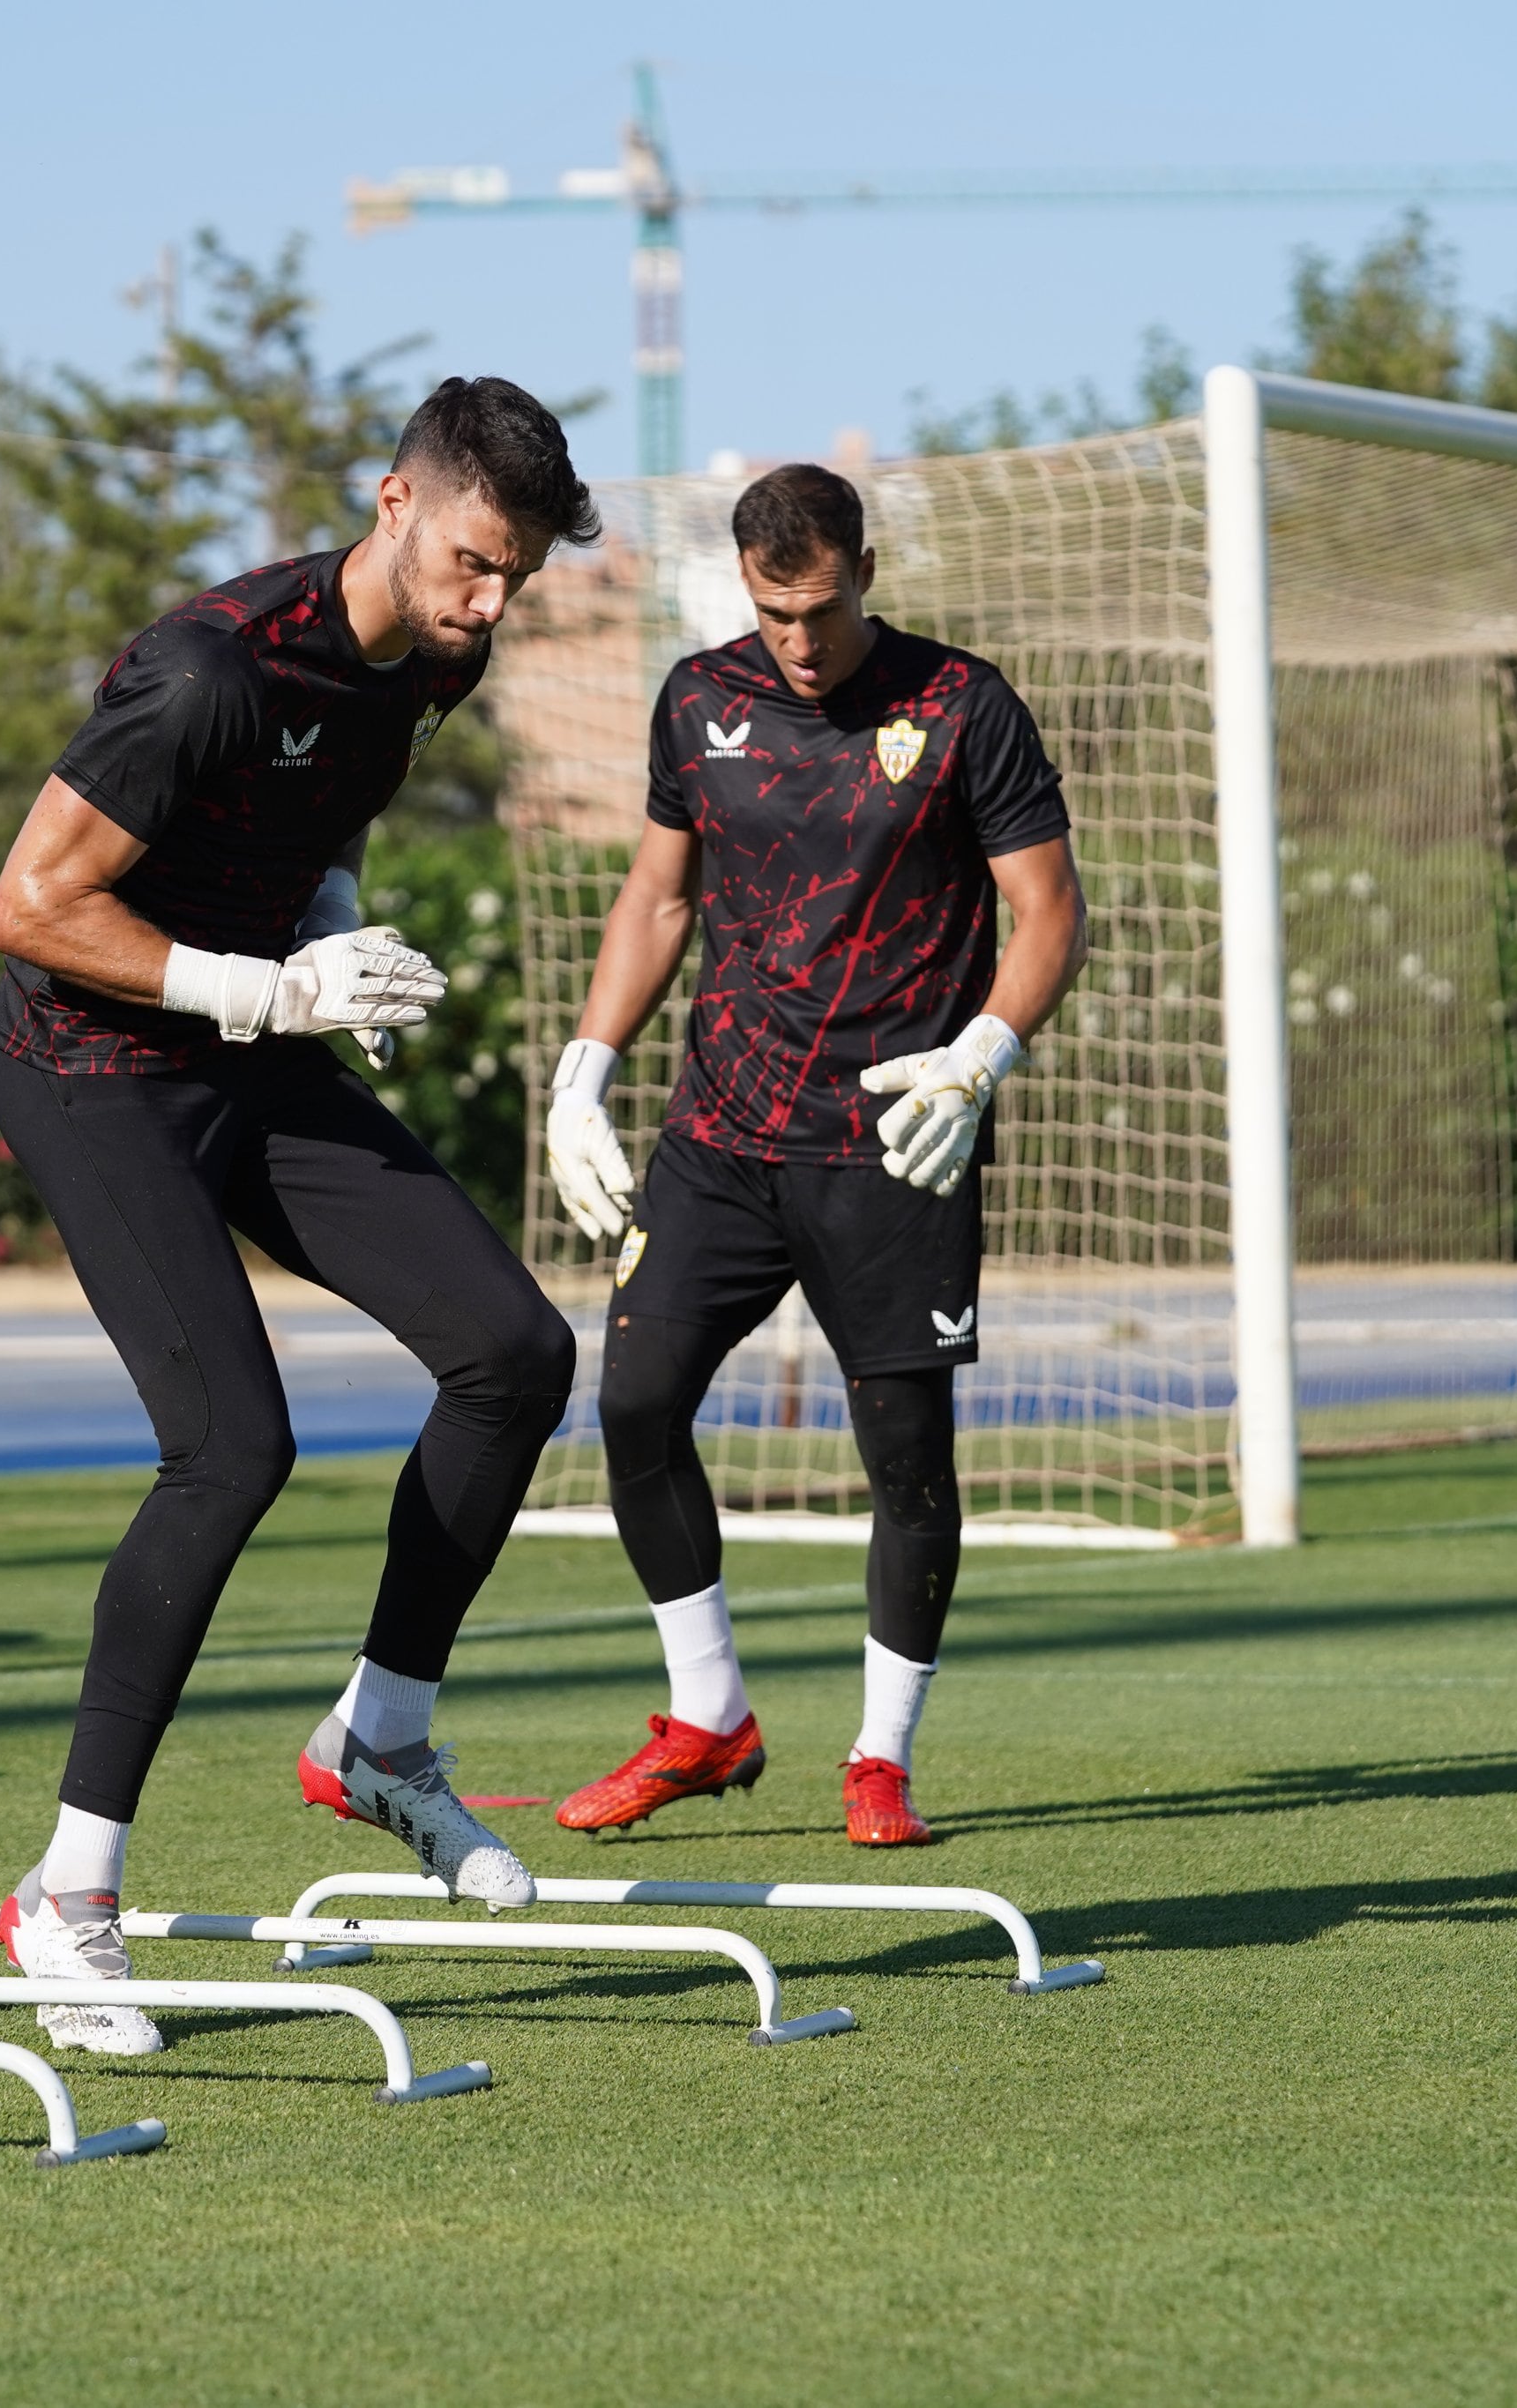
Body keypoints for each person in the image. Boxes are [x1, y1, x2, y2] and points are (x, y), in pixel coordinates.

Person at [0, 376, 598, 2052]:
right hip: (96, 1063)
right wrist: (270, 989)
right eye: (473, 560)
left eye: (515, 579)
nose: (487, 605)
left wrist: (337, 938)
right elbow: (29, 907)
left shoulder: (440, 659)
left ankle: (380, 1743)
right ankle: (67, 1894)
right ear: (392, 501)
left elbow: (316, 819)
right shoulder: (207, 665)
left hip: (249, 1037)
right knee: (231, 1451)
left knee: (515, 1352)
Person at [543, 462, 1087, 1850]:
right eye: (774, 611)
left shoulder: (963, 706)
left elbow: (1047, 913)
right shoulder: (697, 699)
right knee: (636, 1403)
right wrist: (584, 1073)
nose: (799, 639)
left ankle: (881, 1757)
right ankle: (705, 1714)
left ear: (864, 569)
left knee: (904, 1453)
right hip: (720, 1133)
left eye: (822, 607)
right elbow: (658, 900)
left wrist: (985, 1055)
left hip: (896, 1137)